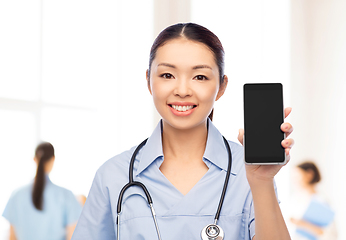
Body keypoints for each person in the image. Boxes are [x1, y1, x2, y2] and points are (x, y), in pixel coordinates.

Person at [72, 22, 294, 240]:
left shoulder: (249, 172)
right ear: (149, 81)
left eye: (200, 77)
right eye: (168, 75)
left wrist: (262, 182)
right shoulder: (112, 176)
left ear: (222, 87)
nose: (182, 90)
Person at [2, 142, 82, 240]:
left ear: (34, 159)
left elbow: (12, 237)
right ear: (53, 159)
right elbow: (72, 236)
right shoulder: (66, 196)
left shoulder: (17, 195)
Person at [290, 161, 338, 240]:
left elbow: (332, 235)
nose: (294, 181)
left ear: (309, 174)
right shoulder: (295, 199)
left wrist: (303, 224)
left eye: (297, 176)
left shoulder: (321, 201)